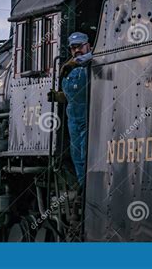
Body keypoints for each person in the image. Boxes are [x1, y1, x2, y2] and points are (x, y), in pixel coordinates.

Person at [60, 32, 92, 186]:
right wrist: (59, 96)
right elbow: (71, 94)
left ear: (88, 45)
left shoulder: (91, 60)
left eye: (79, 46)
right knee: (76, 155)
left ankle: (88, 188)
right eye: (73, 48)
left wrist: (75, 62)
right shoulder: (69, 67)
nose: (76, 50)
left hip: (88, 116)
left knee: (87, 153)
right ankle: (82, 187)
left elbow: (92, 57)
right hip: (73, 118)